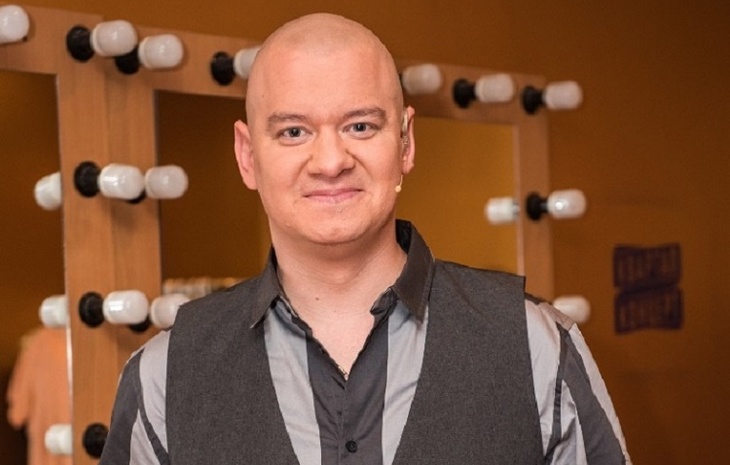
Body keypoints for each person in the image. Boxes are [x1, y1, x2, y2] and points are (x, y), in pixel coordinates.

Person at [99, 13, 631, 465]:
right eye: (293, 131)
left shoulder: (536, 345)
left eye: (360, 127)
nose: (330, 162)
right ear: (247, 155)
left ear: (405, 142)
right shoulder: (165, 374)